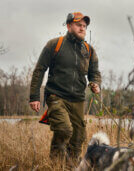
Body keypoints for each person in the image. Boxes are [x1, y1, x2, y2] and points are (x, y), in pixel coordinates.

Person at [29, 12, 101, 166]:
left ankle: (71, 167)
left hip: (78, 99)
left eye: (84, 26)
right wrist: (34, 96)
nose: (82, 28)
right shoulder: (55, 44)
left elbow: (94, 72)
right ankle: (54, 164)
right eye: (78, 25)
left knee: (78, 137)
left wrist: (95, 83)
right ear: (69, 26)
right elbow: (39, 70)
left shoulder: (89, 50)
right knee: (64, 129)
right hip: (56, 96)